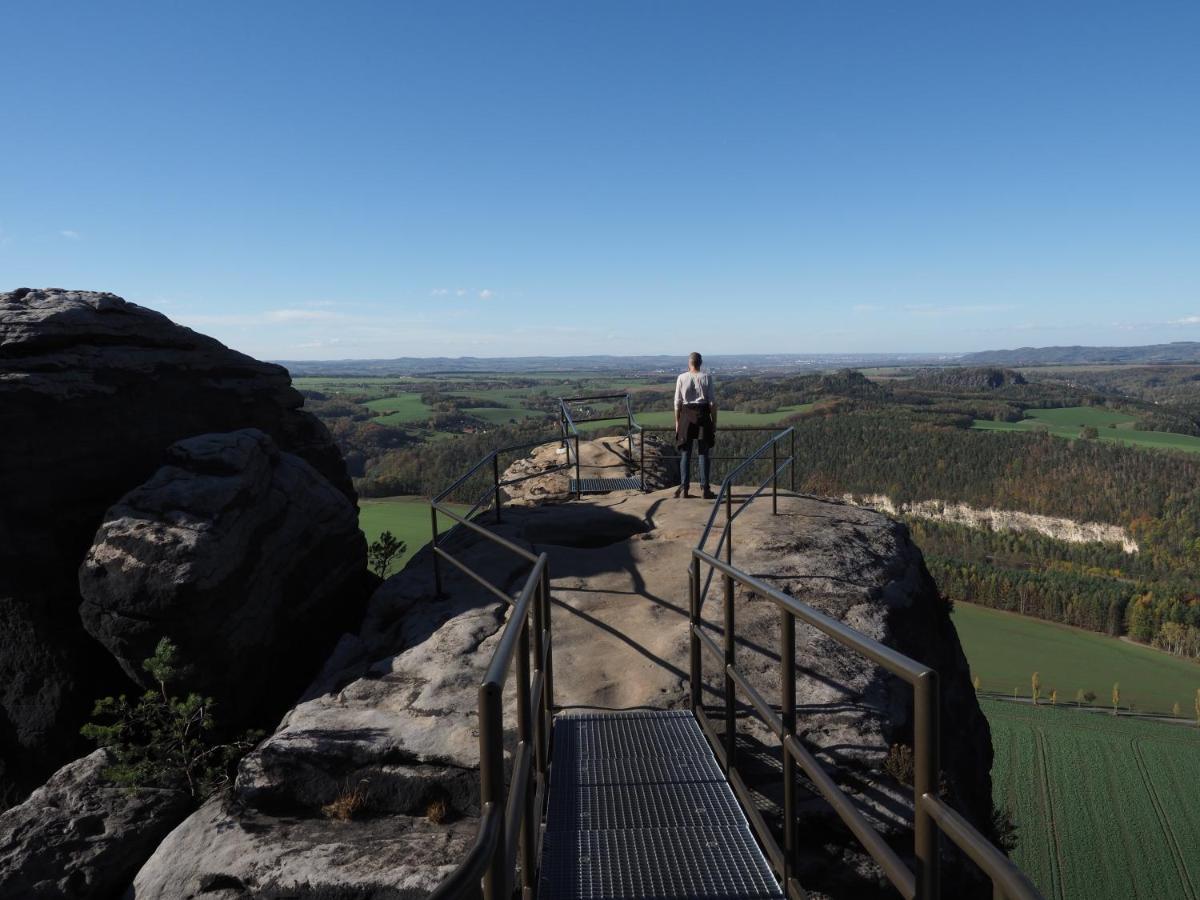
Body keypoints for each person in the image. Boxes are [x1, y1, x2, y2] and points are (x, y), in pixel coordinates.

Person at [674, 351, 717, 499]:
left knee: (685, 453)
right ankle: (705, 489)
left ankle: (684, 489)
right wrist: (714, 422)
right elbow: (712, 403)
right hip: (703, 416)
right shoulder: (706, 377)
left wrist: (677, 421)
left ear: (689, 363)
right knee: (703, 453)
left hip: (686, 416)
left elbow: (677, 402)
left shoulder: (681, 377)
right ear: (700, 363)